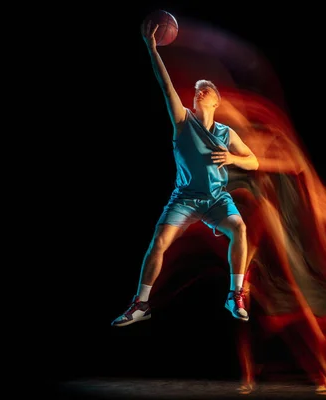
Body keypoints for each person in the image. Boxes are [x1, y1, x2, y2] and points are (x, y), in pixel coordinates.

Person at [111, 19, 259, 327]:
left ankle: (234, 295)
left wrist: (233, 157)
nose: (200, 90)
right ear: (194, 101)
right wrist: (152, 49)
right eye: (197, 90)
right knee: (159, 243)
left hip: (217, 199)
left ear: (217, 101)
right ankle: (141, 304)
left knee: (241, 230)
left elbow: (254, 162)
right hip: (186, 198)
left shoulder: (226, 133)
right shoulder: (183, 121)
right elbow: (165, 87)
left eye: (207, 89)